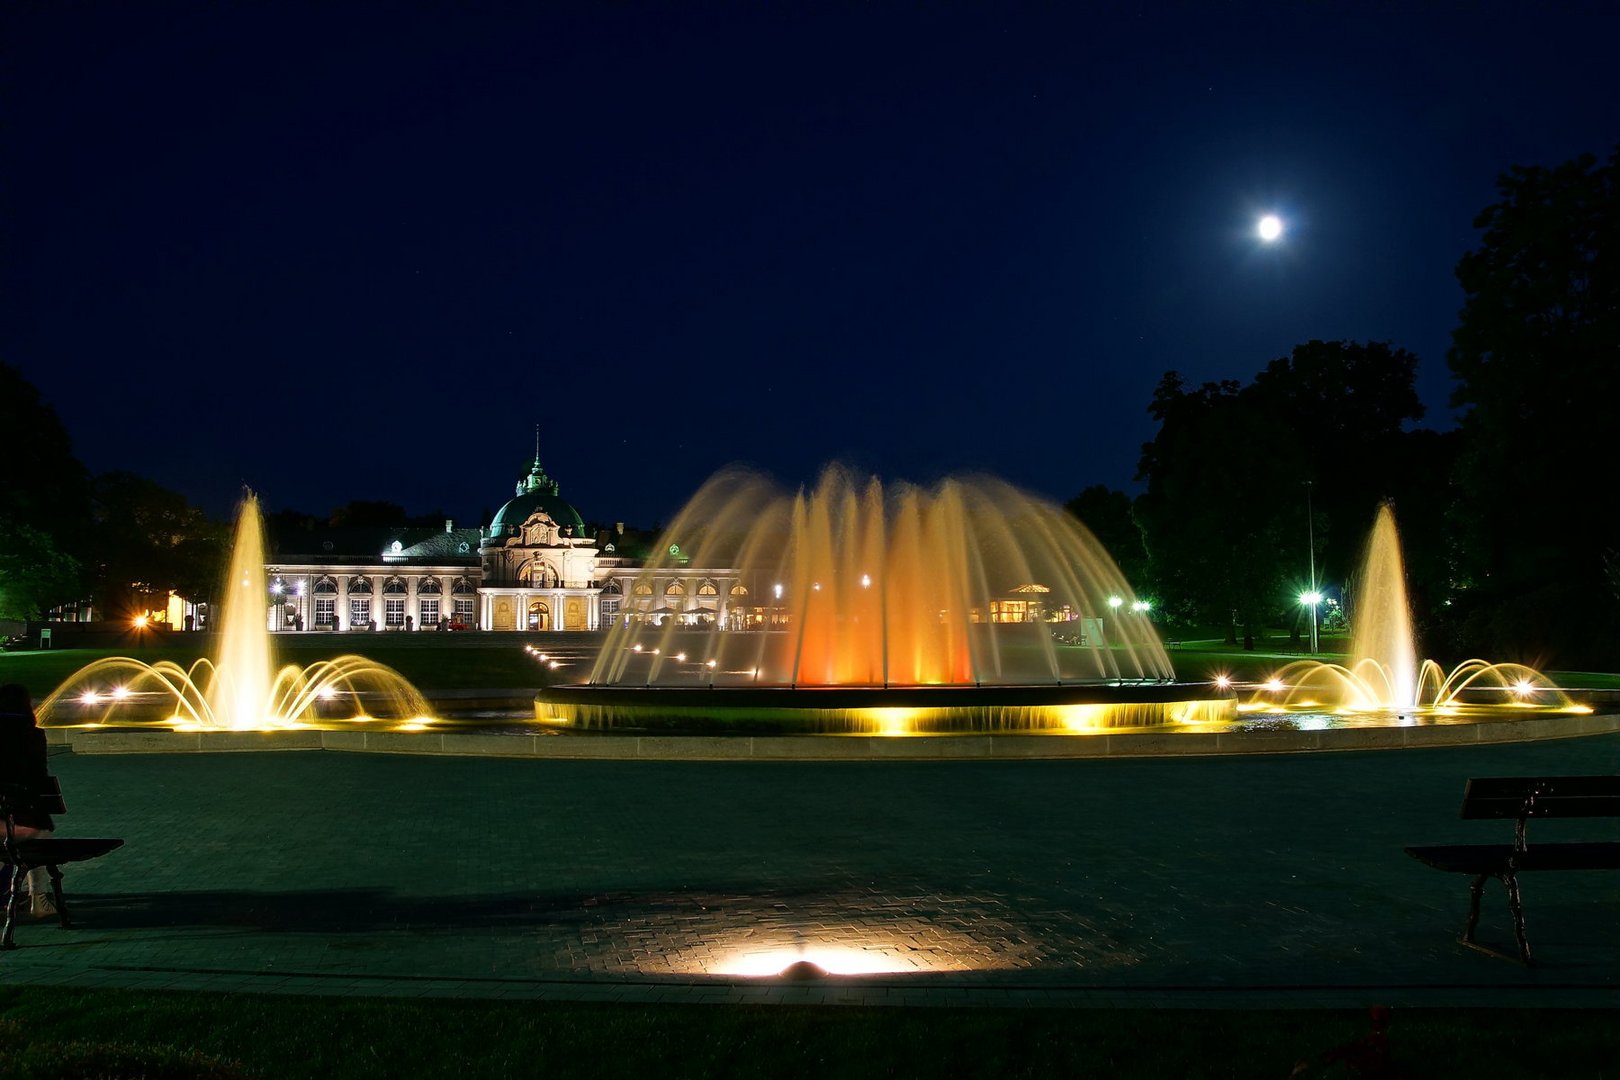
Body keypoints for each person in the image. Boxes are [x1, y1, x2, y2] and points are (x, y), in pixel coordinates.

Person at [0, 683, 57, 917]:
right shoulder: (33, 736)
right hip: (23, 826)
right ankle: (38, 898)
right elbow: (39, 779)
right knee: (41, 833)